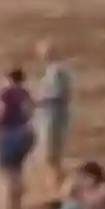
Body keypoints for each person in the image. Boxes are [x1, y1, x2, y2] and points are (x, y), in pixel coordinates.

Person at [0, 67, 39, 209]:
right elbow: (31, 111)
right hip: (25, 133)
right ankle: (18, 206)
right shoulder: (26, 94)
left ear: (8, 78)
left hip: (7, 134)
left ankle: (8, 208)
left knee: (6, 172)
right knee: (18, 170)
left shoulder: (4, 94)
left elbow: (0, 112)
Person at [36, 42, 76, 196]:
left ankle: (58, 187)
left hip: (53, 115)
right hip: (52, 114)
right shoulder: (55, 70)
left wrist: (38, 101)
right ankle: (56, 186)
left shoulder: (57, 71)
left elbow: (58, 95)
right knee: (52, 155)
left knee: (51, 155)